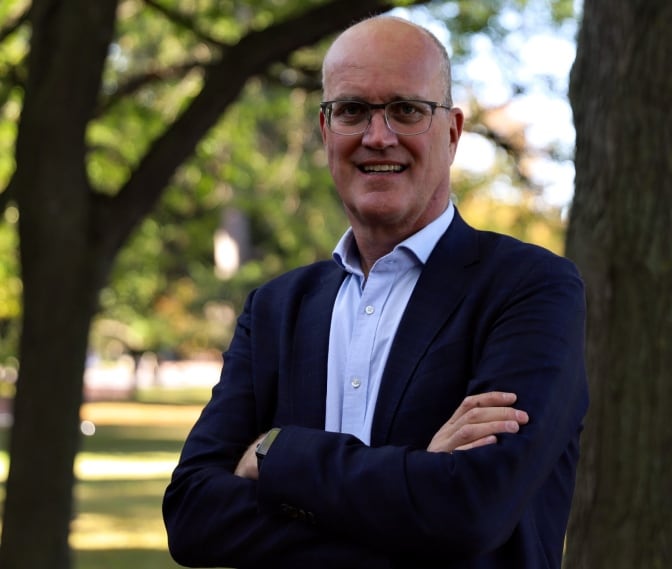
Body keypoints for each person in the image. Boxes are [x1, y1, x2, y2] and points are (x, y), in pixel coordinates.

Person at [163, 15, 588, 569]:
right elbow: (193, 518)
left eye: (407, 110)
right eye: (352, 110)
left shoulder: (529, 289)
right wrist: (416, 488)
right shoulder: (276, 309)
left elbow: (472, 512)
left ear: (453, 132)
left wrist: (276, 453)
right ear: (325, 130)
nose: (377, 135)